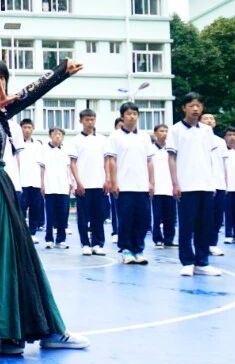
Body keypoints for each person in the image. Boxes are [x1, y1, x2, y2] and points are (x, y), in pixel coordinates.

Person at [0, 56, 89, 354]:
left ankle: (23, 330)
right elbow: (18, 101)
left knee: (14, 256)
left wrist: (60, 74)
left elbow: (28, 95)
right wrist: (59, 72)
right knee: (1, 257)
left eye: (1, 76)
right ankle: (5, 333)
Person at [168, 93, 223, 277]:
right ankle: (187, 261)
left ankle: (202, 262)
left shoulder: (207, 131)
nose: (195, 109)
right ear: (184, 108)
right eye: (191, 105)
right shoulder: (175, 130)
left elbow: (211, 158)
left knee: (204, 225)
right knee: (186, 225)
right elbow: (171, 158)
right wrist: (175, 183)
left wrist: (213, 182)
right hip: (186, 185)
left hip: (205, 185)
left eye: (198, 105)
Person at [105, 103, 155, 265]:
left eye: (134, 113)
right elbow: (112, 160)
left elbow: (149, 161)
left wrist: (151, 182)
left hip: (142, 186)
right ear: (122, 116)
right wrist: (114, 182)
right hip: (124, 186)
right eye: (128, 114)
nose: (132, 116)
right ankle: (126, 250)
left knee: (142, 219)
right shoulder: (115, 136)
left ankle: (139, 250)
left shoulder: (144, 136)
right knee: (126, 220)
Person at [69, 108, 107, 256]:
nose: (90, 122)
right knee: (83, 218)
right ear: (81, 121)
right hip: (83, 185)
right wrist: (78, 182)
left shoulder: (102, 139)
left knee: (99, 216)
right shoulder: (76, 140)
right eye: (87, 119)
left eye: (92, 119)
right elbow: (73, 163)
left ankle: (97, 244)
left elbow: (107, 161)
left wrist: (107, 179)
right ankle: (85, 244)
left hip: (99, 184)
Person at [200, 112, 229, 258]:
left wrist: (226, 182)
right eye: (205, 118)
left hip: (219, 183)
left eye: (211, 118)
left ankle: (212, 244)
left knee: (218, 216)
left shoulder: (220, 142)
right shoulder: (197, 140)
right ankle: (202, 244)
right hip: (204, 184)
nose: (209, 120)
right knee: (204, 216)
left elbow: (224, 163)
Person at [42, 127, 72, 248]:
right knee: (50, 215)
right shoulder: (44, 149)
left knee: (63, 215)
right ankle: (49, 239)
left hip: (63, 187)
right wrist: (42, 184)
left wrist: (70, 182)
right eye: (55, 134)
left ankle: (61, 240)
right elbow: (42, 168)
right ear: (50, 135)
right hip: (49, 186)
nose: (58, 136)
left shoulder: (66, 150)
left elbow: (68, 168)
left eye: (60, 134)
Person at [17, 118, 46, 237]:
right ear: (21, 129)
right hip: (21, 183)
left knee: (35, 209)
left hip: (35, 183)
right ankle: (21, 235)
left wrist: (42, 183)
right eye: (25, 127)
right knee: (21, 209)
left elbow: (42, 165)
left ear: (33, 129)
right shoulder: (17, 144)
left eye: (29, 127)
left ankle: (32, 234)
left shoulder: (38, 145)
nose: (27, 130)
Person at [150, 124, 177, 249]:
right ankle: (157, 239)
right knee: (156, 215)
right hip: (156, 188)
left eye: (166, 131)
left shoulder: (171, 150)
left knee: (170, 215)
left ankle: (169, 239)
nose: (164, 133)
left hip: (169, 187)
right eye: (161, 131)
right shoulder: (150, 149)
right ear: (155, 133)